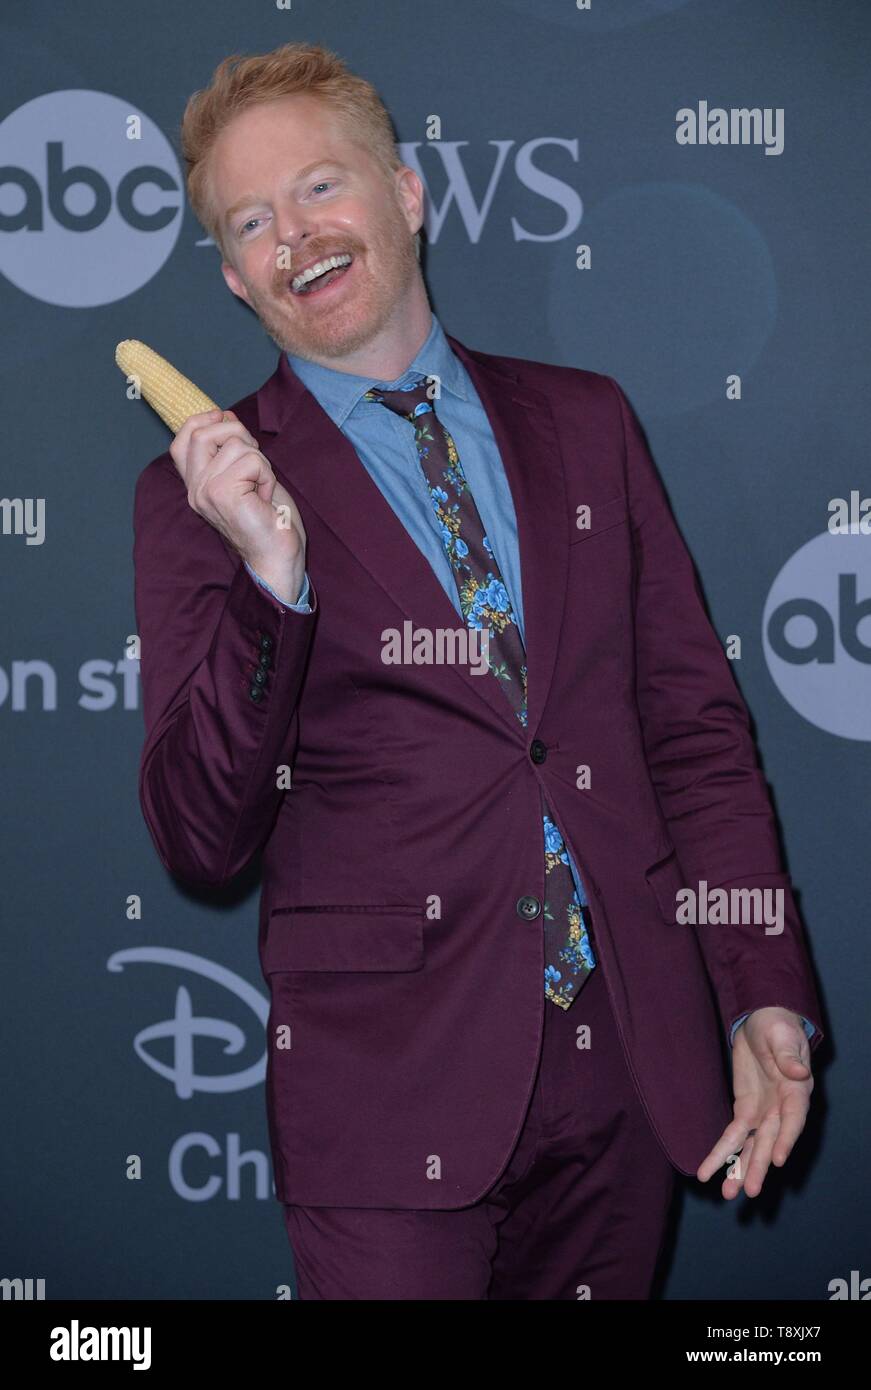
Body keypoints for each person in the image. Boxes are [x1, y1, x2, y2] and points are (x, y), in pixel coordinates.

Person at [133, 41, 825, 1300]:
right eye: (251, 221)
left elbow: (691, 735)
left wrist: (758, 989)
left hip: (624, 1061)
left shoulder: (586, 422)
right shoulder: (199, 498)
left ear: (406, 193)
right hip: (387, 1093)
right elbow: (197, 834)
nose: (295, 236)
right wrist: (267, 577)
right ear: (234, 278)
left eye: (321, 188)